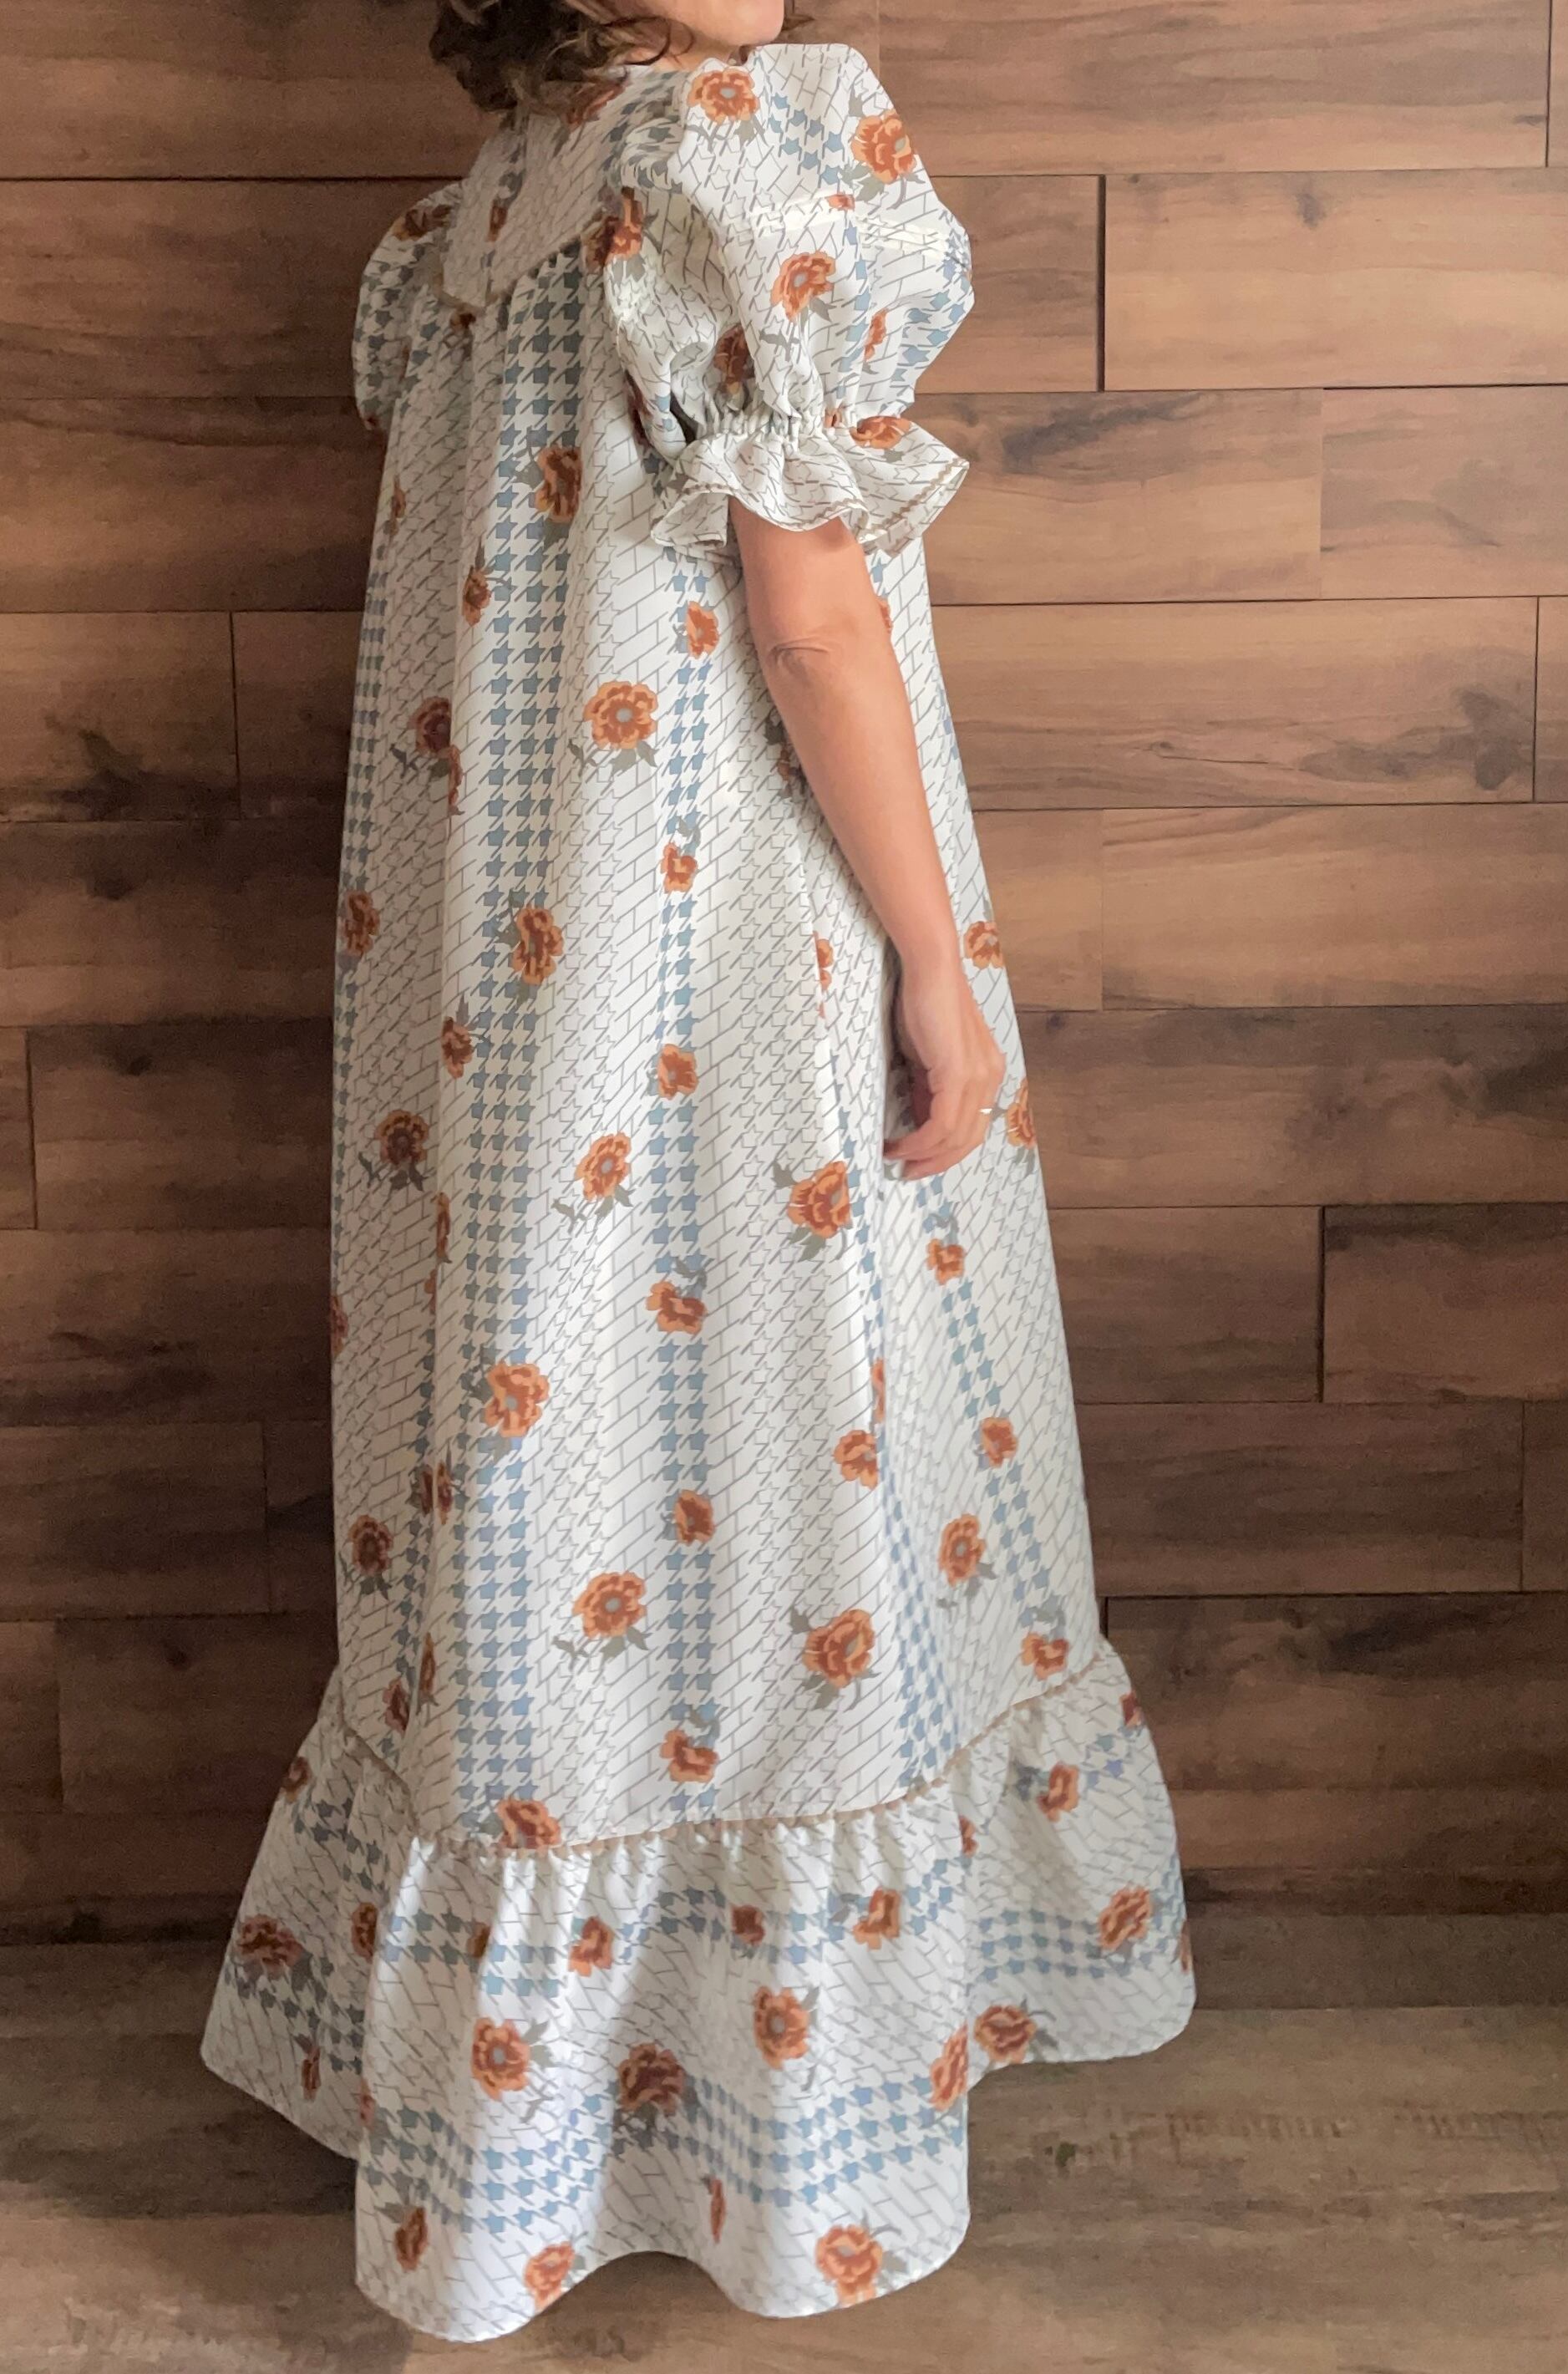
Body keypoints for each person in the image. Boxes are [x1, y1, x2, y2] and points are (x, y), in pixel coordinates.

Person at [201, 0, 1194, 2341]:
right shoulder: (738, 162)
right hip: (723, 954)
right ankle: (767, 2113)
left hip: (503, 1011)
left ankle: (540, 2115)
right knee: (781, 1494)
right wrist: (937, 967)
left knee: (557, 1507)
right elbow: (811, 614)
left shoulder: (500, 208)